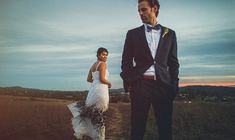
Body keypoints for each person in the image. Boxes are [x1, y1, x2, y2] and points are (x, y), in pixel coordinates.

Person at [120, 0, 179, 140]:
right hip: (140, 85)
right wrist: (128, 80)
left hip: (163, 86)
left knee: (165, 128)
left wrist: (174, 85)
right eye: (139, 11)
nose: (140, 13)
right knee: (137, 128)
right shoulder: (132, 34)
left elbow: (174, 63)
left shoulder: (170, 34)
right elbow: (126, 61)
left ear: (155, 8)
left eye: (144, 10)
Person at [68, 47, 111, 140]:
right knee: (100, 115)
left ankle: (93, 135)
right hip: (101, 92)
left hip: (93, 91)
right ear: (98, 55)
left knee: (92, 114)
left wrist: (96, 81)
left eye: (106, 55)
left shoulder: (93, 65)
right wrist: (109, 83)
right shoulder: (103, 64)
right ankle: (99, 137)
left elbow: (88, 79)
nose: (105, 56)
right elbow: (102, 79)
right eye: (103, 54)